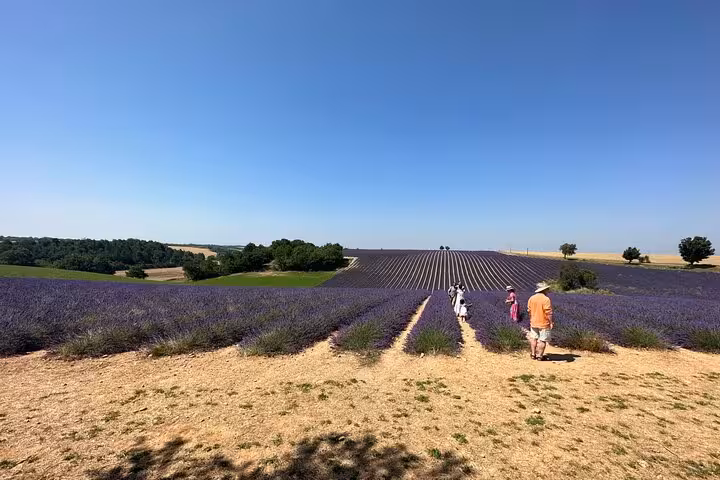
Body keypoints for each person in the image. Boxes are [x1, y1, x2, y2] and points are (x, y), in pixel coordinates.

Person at [527, 282, 553, 361]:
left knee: (533, 338)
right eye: (547, 289)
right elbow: (548, 312)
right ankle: (540, 356)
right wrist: (551, 322)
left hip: (534, 322)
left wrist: (531, 319)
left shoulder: (531, 298)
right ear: (544, 290)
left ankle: (533, 354)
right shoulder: (546, 299)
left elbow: (529, 310)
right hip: (543, 323)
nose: (548, 290)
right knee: (542, 340)